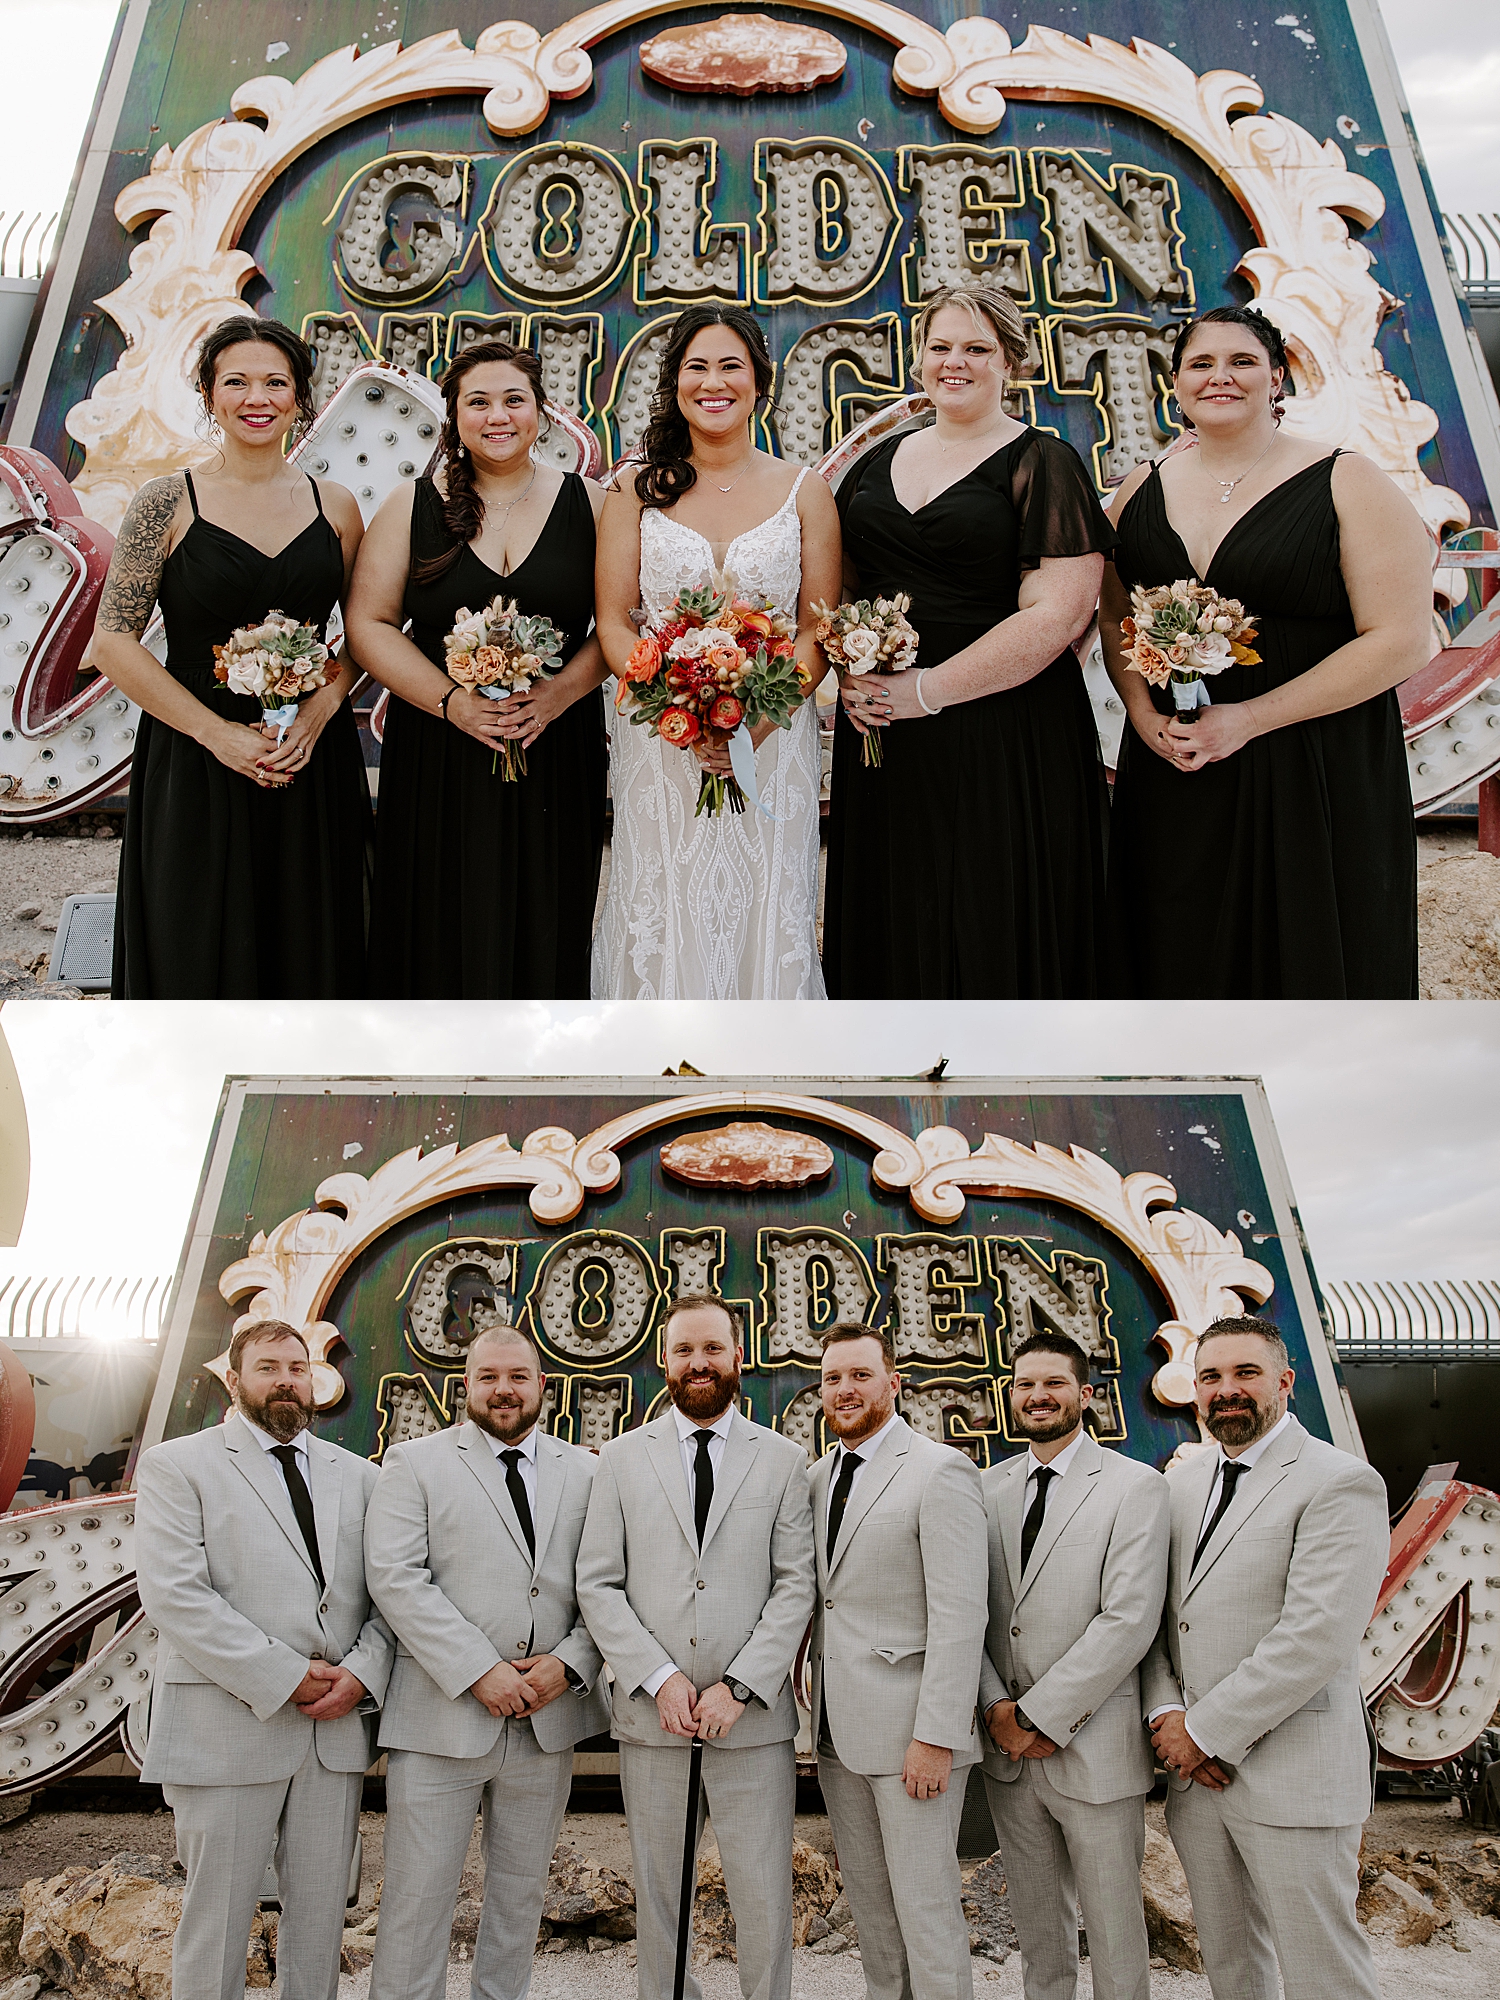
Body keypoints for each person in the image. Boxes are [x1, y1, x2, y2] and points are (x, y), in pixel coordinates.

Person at [1099, 303, 1431, 997]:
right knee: (1174, 953)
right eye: (1201, 364)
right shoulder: (1139, 488)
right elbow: (1109, 615)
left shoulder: (1347, 480)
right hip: (1177, 770)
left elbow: (1402, 640)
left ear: (1277, 378)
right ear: (1177, 384)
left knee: (1308, 958)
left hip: (1314, 768)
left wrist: (1248, 719)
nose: (1221, 377)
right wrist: (1138, 713)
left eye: (1243, 361)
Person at [822, 283, 1114, 998]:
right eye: (941, 347)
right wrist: (848, 677)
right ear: (919, 357)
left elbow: (1058, 614)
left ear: (1011, 361)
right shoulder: (874, 463)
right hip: (886, 736)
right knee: (898, 914)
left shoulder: (1045, 462)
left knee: (994, 916)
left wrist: (924, 692)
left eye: (977, 348)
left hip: (1007, 732)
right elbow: (831, 591)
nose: (956, 363)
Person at [93, 316, 371, 997]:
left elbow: (364, 636)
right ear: (208, 392)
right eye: (237, 381)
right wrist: (217, 735)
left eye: (276, 382)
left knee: (311, 935)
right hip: (196, 753)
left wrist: (320, 709)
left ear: (300, 397)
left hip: (307, 755)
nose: (258, 397)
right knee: (196, 934)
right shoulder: (165, 502)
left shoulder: (333, 505)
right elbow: (112, 642)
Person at [133, 1322, 393, 2000]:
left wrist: (363, 1673)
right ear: (234, 1378)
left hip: (332, 1733)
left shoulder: (360, 1477)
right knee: (217, 1920)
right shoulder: (178, 1465)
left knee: (319, 1926)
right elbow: (175, 1596)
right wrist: (285, 1675)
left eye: (297, 1367)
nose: (285, 1379)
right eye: (268, 1366)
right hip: (228, 1727)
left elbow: (387, 1596)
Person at [591, 304, 842, 999]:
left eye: (731, 365)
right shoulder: (634, 487)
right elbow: (614, 621)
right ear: (675, 382)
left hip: (774, 735)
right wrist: (676, 706)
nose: (714, 382)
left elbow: (816, 628)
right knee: (664, 894)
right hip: (662, 737)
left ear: (760, 381)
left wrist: (756, 721)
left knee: (767, 893)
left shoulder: (805, 490)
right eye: (696, 366)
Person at [346, 340, 608, 997]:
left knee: (550, 907)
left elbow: (620, 625)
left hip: (555, 745)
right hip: (439, 749)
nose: (499, 415)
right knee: (437, 907)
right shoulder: (411, 506)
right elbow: (369, 624)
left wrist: (555, 696)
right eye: (479, 402)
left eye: (515, 400)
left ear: (541, 414)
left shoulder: (593, 505)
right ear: (453, 416)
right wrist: (450, 702)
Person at [575, 1293, 815, 2000]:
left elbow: (795, 1586)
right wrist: (657, 1677)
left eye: (712, 1348)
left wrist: (739, 1685)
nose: (699, 1363)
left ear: (738, 1357)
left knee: (764, 1898)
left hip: (753, 1722)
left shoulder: (781, 1460)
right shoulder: (619, 1461)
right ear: (665, 1360)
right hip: (656, 1720)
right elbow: (599, 1583)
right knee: (661, 1898)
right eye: (685, 1350)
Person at [1143, 1315, 1390, 2000]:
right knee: (1230, 1967)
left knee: (1324, 1973)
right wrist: (1168, 1713)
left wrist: (1203, 1731)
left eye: (1246, 1374)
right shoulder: (1181, 1487)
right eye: (1212, 1377)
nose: (1228, 1390)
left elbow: (1315, 1636)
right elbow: (1163, 1621)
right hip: (1199, 1787)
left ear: (1284, 1381)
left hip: (1293, 1774)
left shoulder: (1340, 1482)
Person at [362, 1326, 608, 2000]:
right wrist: (478, 1669)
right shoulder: (413, 1464)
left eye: (519, 1377)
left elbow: (611, 1583)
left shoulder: (587, 1471)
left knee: (519, 1899)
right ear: (465, 1385)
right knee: (416, 1904)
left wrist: (571, 1663)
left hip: (547, 1719)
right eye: (490, 1377)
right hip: (442, 1717)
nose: (505, 1390)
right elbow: (396, 1578)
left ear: (543, 1388)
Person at [978, 1333, 1169, 2000]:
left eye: (1053, 1383)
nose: (1037, 1396)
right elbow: (968, 1609)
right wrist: (997, 1708)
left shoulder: (1135, 1487)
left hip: (1092, 1747)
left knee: (1116, 1932)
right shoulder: (986, 1487)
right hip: (1008, 1751)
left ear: (1084, 1395)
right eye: (1025, 1384)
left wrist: (1038, 1715)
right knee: (1038, 1932)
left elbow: (1129, 1620)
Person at [809, 1323, 988, 2000]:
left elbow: (960, 1614)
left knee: (927, 1910)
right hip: (836, 1734)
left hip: (914, 1736)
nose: (845, 1389)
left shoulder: (939, 1470)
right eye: (832, 1378)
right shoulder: (818, 1476)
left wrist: (936, 1737)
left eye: (860, 1374)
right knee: (874, 1913)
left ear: (894, 1382)